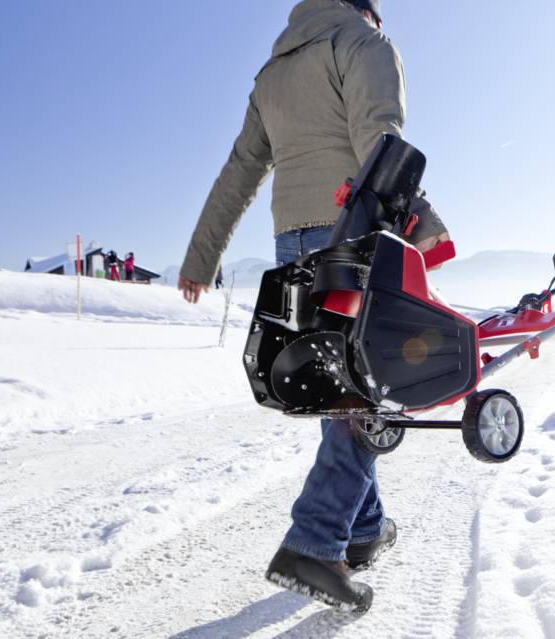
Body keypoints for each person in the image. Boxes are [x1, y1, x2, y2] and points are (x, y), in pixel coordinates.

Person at [177, 0, 449, 613]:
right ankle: (314, 542)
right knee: (366, 388)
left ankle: (364, 529)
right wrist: (424, 219)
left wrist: (201, 259)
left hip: (292, 243)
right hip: (353, 231)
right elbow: (379, 140)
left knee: (341, 390)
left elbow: (239, 172)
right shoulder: (363, 43)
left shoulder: (272, 73)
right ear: (366, 9)